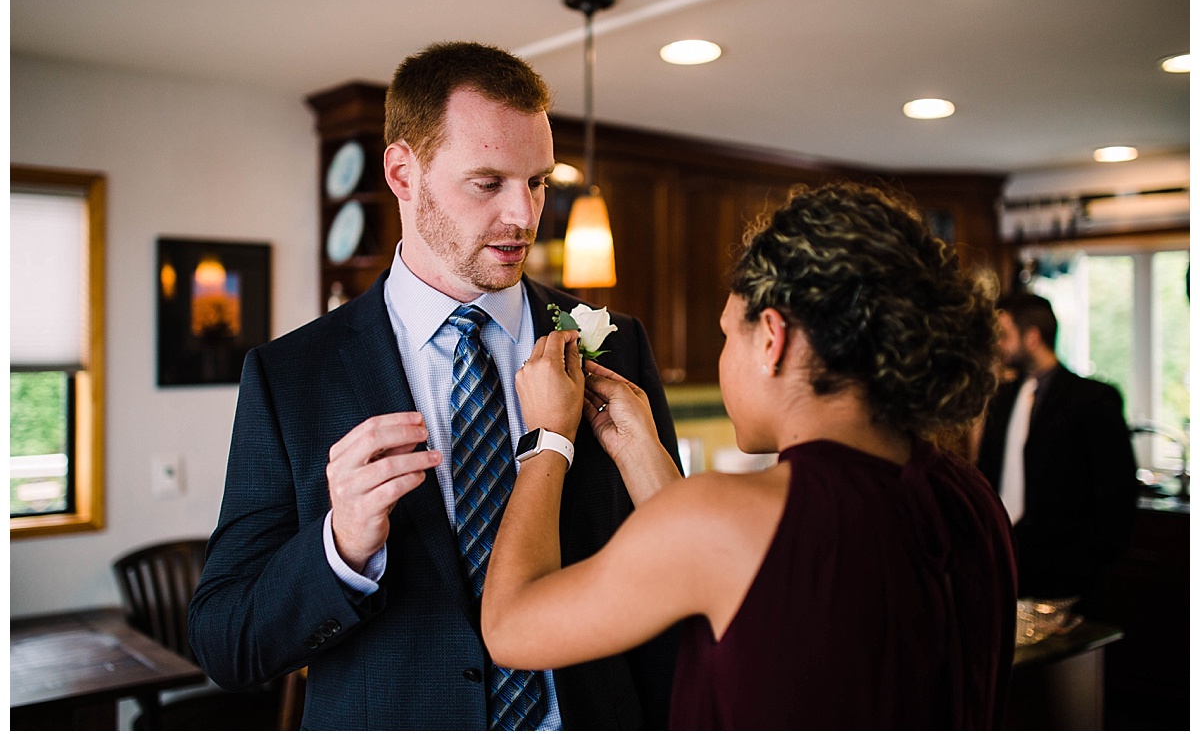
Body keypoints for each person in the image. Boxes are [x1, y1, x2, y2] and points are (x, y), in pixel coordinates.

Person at [187, 41, 681, 731]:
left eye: (537, 181)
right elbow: (225, 642)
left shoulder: (615, 343)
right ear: (402, 172)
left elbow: (672, 574)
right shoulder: (291, 376)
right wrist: (341, 547)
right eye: (489, 182)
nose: (525, 215)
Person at [483, 180, 1018, 730]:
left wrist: (547, 438)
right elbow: (746, 590)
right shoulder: (967, 495)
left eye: (725, 336)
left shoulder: (730, 519)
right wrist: (638, 449)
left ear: (771, 339)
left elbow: (510, 628)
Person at [976, 292, 1137, 616]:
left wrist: (1087, 568)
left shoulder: (1092, 400)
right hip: (1004, 566)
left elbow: (1117, 496)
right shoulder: (1000, 399)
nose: (998, 345)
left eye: (1004, 335)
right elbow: (986, 475)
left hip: (1069, 580)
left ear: (1032, 337)